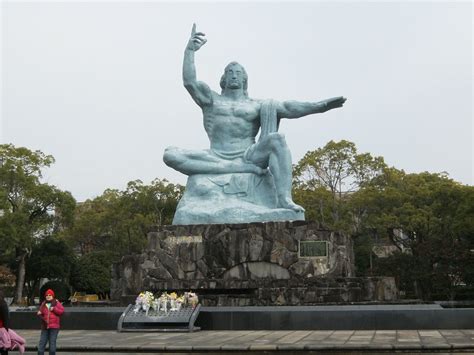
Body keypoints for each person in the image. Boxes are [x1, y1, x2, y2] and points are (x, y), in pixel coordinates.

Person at [163, 24, 346, 213]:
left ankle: (284, 199)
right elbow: (190, 82)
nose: (234, 75)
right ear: (223, 79)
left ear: (244, 80)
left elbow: (289, 107)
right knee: (170, 154)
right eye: (230, 72)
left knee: (277, 140)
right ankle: (235, 168)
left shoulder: (257, 105)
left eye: (238, 73)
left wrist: (319, 106)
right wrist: (190, 51)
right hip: (215, 155)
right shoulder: (211, 100)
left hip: (249, 155)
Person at [36, 289, 64, 355]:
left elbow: (62, 311)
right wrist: (39, 313)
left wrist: (54, 309)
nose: (48, 296)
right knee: (41, 345)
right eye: (47, 295)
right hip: (45, 326)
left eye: (50, 295)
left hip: (54, 327)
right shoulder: (43, 303)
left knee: (52, 345)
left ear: (52, 296)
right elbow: (41, 312)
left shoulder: (56, 303)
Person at [0, 290, 10, 355]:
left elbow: (6, 319)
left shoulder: (2, 304)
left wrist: (6, 332)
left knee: (3, 349)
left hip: (2, 330)